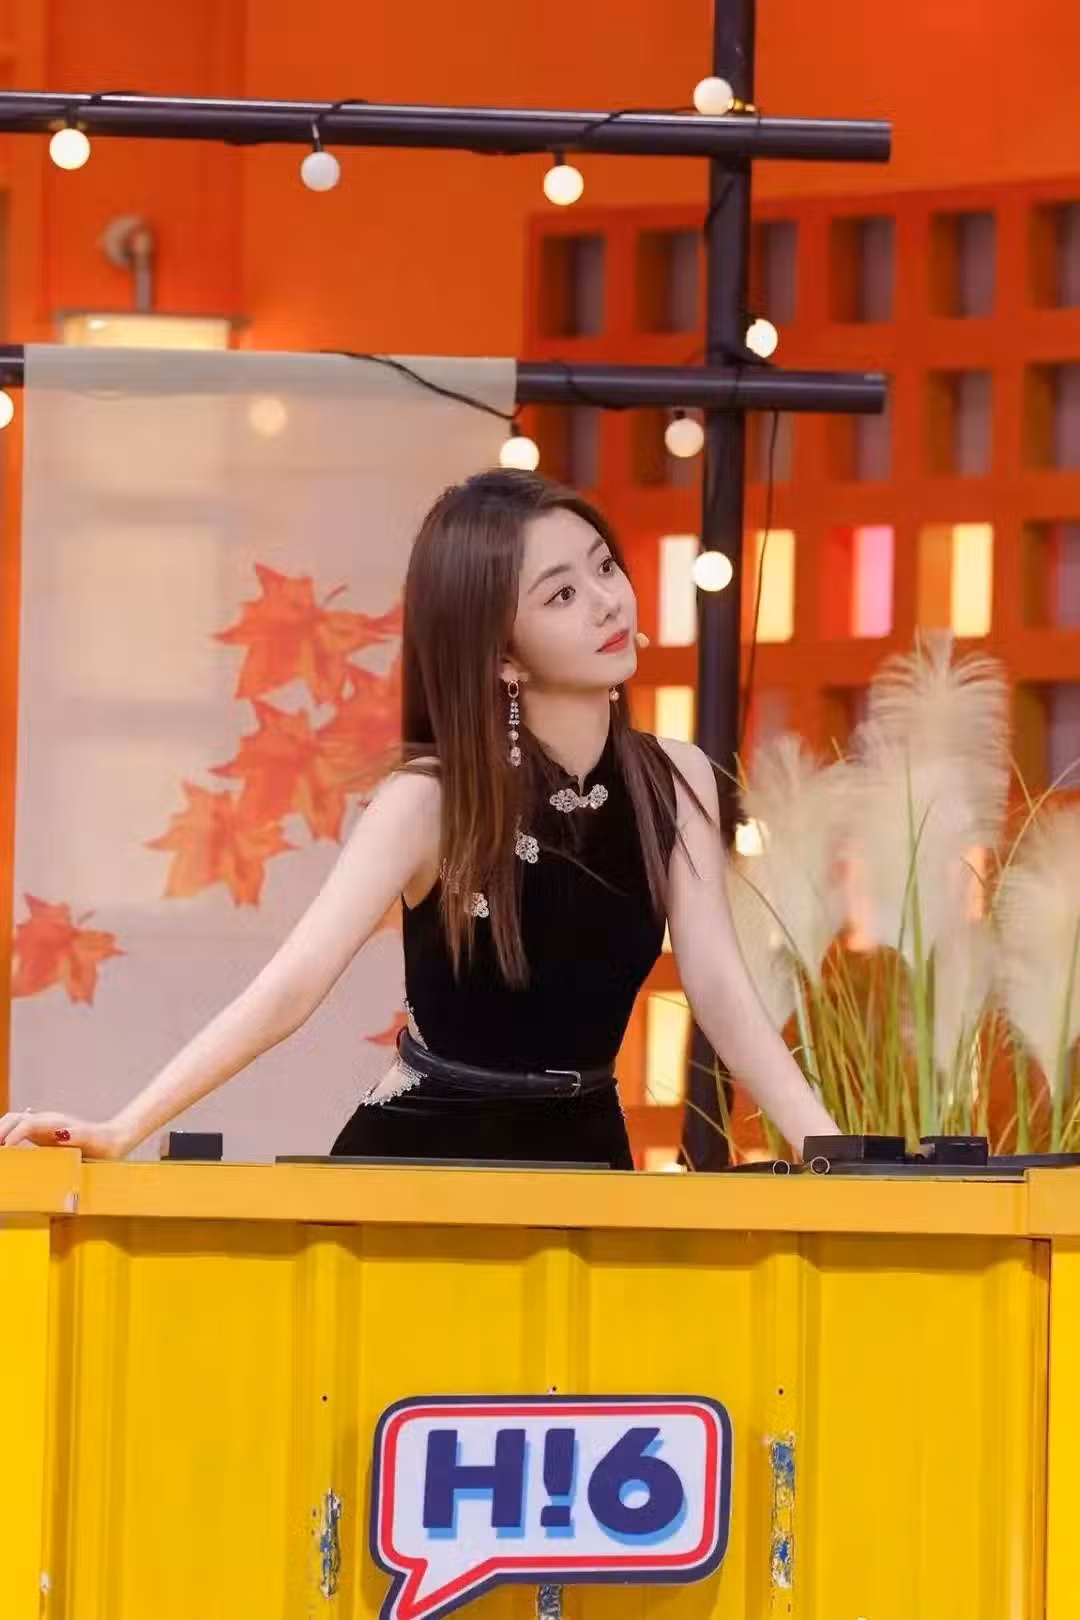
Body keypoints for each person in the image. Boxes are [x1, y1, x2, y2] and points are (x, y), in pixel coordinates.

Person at [0, 469, 838, 1167]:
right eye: (561, 594)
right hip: (421, 1161)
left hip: (589, 1153)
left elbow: (721, 993)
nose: (608, 602)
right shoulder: (431, 800)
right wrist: (125, 1128)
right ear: (501, 655)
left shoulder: (675, 779)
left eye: (604, 568)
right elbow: (292, 986)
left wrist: (838, 1158)